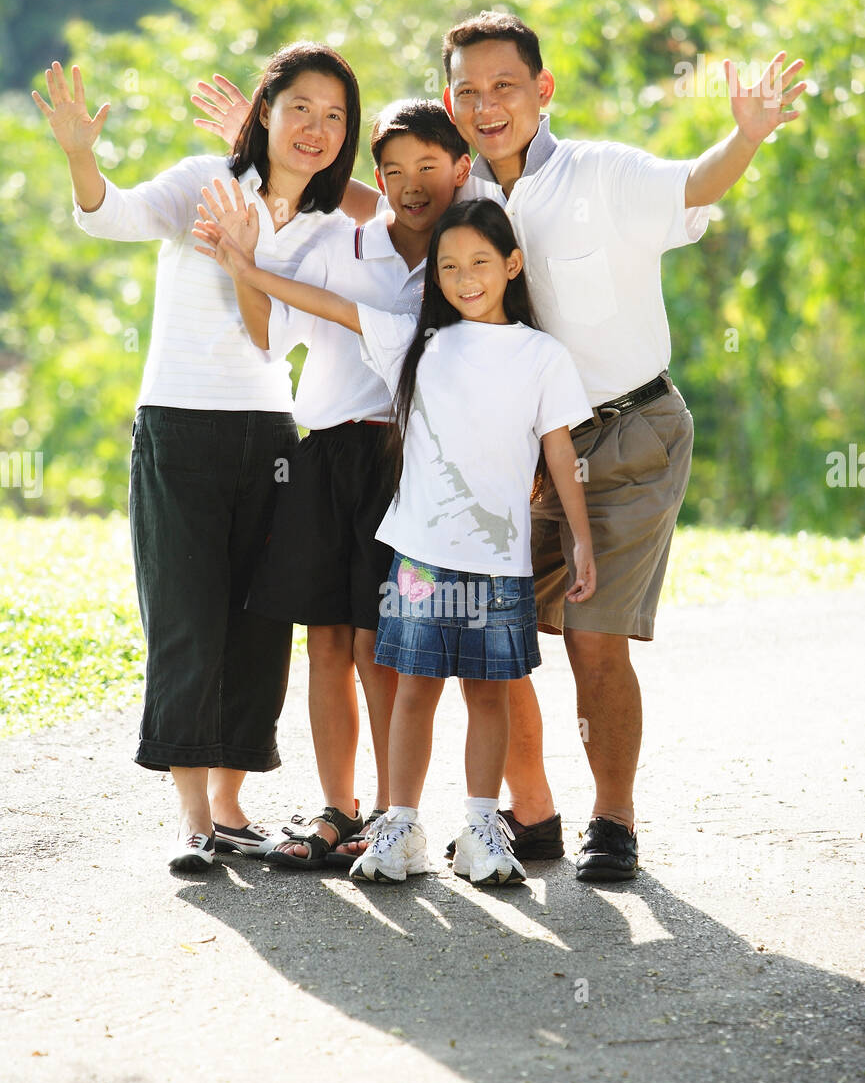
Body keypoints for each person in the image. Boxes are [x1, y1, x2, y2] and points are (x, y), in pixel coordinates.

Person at [439, 11, 807, 882]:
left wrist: (743, 135)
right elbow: (380, 199)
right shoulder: (463, 201)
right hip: (513, 449)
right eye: (468, 91)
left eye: (504, 87)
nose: (486, 105)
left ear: (543, 90)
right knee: (485, 631)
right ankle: (531, 817)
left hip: (628, 430)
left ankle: (614, 821)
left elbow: (696, 184)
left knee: (593, 638)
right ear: (450, 102)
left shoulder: (603, 174)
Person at [33, 44, 378, 872]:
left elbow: (404, 205)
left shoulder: (331, 226)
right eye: (298, 107)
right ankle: (192, 819)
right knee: (186, 614)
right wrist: (82, 156)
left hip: (271, 433)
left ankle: (230, 804)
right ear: (265, 107)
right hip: (179, 424)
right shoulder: (204, 182)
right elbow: (110, 214)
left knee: (260, 623)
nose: (316, 128)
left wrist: (279, 180)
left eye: (335, 116)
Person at [192, 197, 597, 885]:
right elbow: (326, 304)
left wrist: (581, 541)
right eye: (447, 266)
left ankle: (479, 829)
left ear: (511, 265)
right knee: (413, 690)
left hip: (497, 560)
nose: (465, 277)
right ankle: (400, 826)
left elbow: (559, 453)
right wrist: (244, 265)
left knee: (488, 693)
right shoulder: (416, 343)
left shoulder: (542, 355)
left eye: (478, 262)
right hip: (418, 558)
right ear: (433, 278)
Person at [205, 101, 472, 870]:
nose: (410, 185)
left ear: (456, 170)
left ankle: (394, 817)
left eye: (428, 167)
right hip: (320, 455)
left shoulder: (465, 256)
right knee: (325, 640)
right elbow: (268, 336)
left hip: (402, 462)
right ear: (376, 178)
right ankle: (338, 809)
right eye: (393, 171)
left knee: (378, 642)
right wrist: (244, 267)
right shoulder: (339, 242)